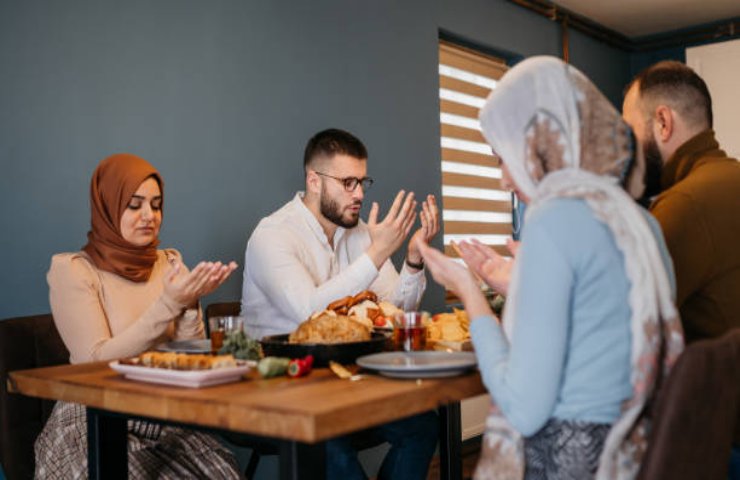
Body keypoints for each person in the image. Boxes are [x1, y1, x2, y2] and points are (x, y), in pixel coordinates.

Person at [416, 57, 683, 479]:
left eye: (502, 158)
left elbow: (522, 408)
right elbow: (598, 318)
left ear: (540, 143)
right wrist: (521, 279)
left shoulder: (553, 218)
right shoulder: (641, 221)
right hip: (640, 455)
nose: (504, 179)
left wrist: (468, 291)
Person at [241, 128, 439, 479]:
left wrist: (412, 260)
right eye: (348, 183)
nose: (359, 194)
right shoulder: (272, 235)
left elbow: (394, 311)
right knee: (333, 450)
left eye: (363, 182)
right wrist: (377, 252)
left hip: (348, 384)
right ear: (314, 180)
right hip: (282, 392)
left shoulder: (359, 231)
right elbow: (310, 312)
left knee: (423, 424)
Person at [35, 153, 240, 479]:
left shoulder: (168, 261)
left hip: (161, 409)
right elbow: (95, 363)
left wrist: (189, 303)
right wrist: (169, 304)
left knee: (223, 472)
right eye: (134, 205)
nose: (149, 216)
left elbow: (188, 358)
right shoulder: (73, 270)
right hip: (94, 413)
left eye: (156, 205)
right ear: (108, 205)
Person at [622, 60, 740, 344]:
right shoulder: (730, 178)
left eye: (630, 131)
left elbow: (623, 327)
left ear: (663, 122)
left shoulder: (685, 204)